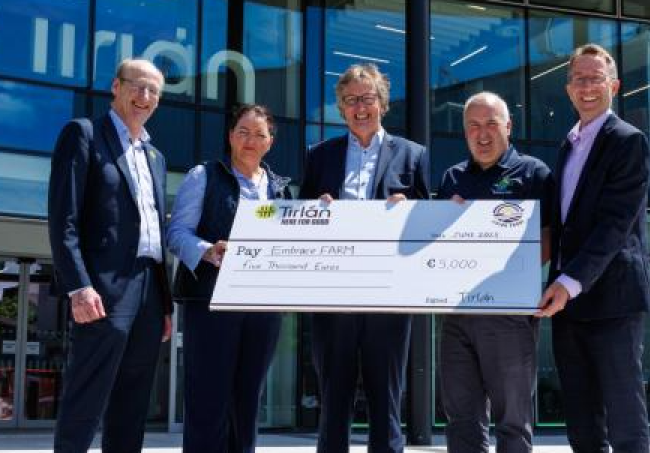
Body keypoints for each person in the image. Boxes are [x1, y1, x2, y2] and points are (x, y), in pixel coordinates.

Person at [299, 63, 430, 453]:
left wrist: (412, 208)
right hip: (332, 296)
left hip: (388, 296)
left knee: (385, 399)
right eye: (350, 100)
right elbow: (298, 221)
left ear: (382, 103)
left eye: (367, 98)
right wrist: (314, 209)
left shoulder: (413, 155)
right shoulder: (319, 155)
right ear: (341, 108)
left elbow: (428, 225)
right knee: (333, 399)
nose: (360, 107)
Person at [48, 58, 173, 453]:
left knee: (132, 402)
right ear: (116, 87)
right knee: (87, 394)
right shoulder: (84, 134)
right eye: (138, 86)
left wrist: (164, 304)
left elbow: (155, 232)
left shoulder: (155, 156)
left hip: (149, 290)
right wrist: (79, 286)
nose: (145, 96)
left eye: (154, 91)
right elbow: (64, 220)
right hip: (103, 288)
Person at [537, 43, 650, 453]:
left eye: (596, 78)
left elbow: (615, 225)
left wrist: (568, 282)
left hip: (613, 299)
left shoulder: (628, 141)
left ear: (614, 86)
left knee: (624, 421)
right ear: (569, 89)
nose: (587, 87)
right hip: (568, 303)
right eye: (579, 79)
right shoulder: (567, 145)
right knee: (581, 421)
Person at [166, 104, 290, 452]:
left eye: (259, 134)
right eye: (243, 132)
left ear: (270, 142)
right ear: (230, 136)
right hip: (211, 302)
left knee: (247, 401)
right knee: (208, 398)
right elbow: (176, 233)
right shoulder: (203, 176)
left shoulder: (280, 189)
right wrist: (207, 250)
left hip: (264, 308)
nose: (251, 141)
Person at [434, 92, 553, 453]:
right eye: (473, 126)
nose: (482, 134)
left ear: (508, 126)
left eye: (491, 124)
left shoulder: (534, 173)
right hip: (457, 315)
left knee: (512, 423)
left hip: (509, 315)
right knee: (461, 421)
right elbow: (433, 244)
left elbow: (550, 239)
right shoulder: (452, 178)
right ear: (465, 132)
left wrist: (504, 275)